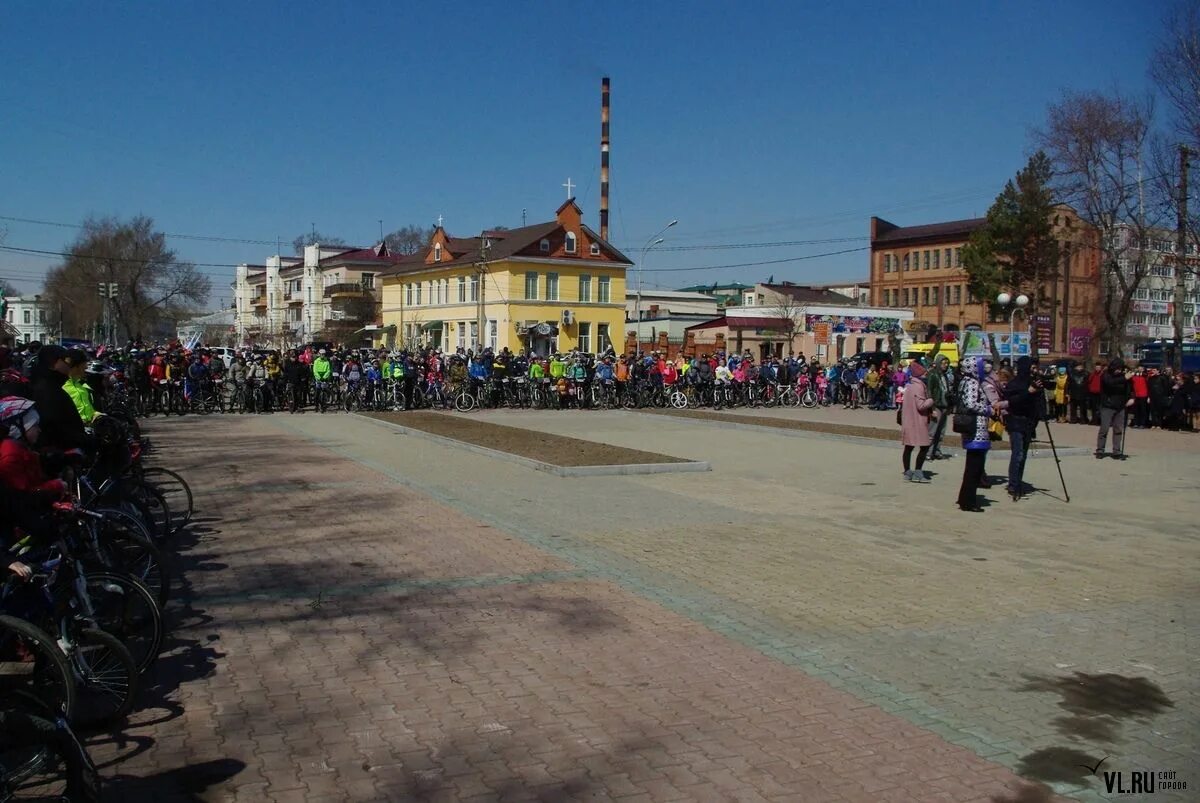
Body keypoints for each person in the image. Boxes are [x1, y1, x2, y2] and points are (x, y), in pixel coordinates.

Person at [998, 356, 1040, 500]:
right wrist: (1028, 392)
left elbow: (1037, 404)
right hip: (1015, 422)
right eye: (1031, 368)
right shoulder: (1014, 384)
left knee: (1023, 456)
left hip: (1029, 423)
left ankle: (1018, 481)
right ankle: (1013, 484)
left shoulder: (1032, 382)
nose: (1033, 370)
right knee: (1018, 454)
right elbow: (1012, 402)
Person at [955, 356, 992, 513]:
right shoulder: (972, 382)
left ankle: (965, 498)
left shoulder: (966, 381)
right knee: (974, 467)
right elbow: (970, 404)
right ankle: (968, 501)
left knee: (973, 466)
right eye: (981, 366)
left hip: (974, 429)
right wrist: (987, 409)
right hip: (976, 429)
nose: (984, 368)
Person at [899, 361, 935, 483]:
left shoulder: (909, 386)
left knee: (908, 447)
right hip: (918, 421)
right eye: (925, 373)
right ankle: (918, 471)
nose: (926, 375)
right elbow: (920, 405)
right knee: (924, 446)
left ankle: (907, 471)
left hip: (909, 420)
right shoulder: (919, 387)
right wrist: (930, 401)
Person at [1096, 358, 1132, 459]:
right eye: (1117, 368)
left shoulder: (1124, 376)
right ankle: (1100, 450)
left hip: (1120, 406)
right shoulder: (1106, 375)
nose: (1119, 371)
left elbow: (1130, 388)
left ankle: (1116, 451)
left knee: (1118, 429)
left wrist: (1131, 398)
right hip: (1107, 405)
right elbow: (1110, 383)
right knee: (1104, 428)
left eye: (1120, 369)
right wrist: (1125, 378)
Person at [926, 355, 953, 460]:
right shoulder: (932, 375)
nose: (945, 365)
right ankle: (927, 451)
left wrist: (950, 405)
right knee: (932, 430)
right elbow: (929, 391)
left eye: (947, 363)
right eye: (943, 363)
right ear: (938, 363)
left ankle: (936, 450)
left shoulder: (945, 376)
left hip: (945, 405)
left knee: (941, 431)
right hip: (936, 405)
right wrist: (932, 408)